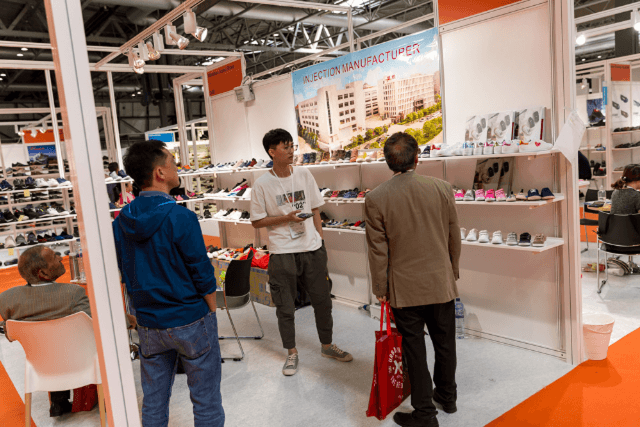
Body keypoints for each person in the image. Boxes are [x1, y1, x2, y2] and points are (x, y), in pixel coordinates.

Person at [112, 140, 224, 427]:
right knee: (206, 400)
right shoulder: (181, 216)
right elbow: (201, 271)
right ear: (160, 173)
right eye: (173, 163)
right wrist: (211, 311)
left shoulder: (121, 221)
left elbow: (123, 271)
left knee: (153, 401)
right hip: (190, 317)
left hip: (149, 322)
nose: (178, 169)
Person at [364, 132, 461, 427]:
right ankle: (447, 396)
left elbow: (377, 251)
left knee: (414, 349)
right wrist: (451, 271)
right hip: (440, 282)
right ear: (417, 157)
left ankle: (425, 413)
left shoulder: (376, 198)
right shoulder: (442, 188)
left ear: (387, 162)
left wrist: (380, 289)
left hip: (404, 288)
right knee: (445, 343)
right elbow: (453, 237)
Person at [250, 128, 352, 377]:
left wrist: (321, 240)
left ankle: (327, 346)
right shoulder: (262, 184)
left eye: (292, 146)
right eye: (285, 147)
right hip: (282, 253)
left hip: (312, 249)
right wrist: (286, 218)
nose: (292, 151)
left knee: (323, 301)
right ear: (272, 152)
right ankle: (292, 353)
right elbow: (257, 221)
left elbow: (316, 209)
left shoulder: (304, 174)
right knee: (285, 307)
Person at [0, 246, 135, 418]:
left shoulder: (7, 299)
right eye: (54, 257)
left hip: (42, 366)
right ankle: (113, 398)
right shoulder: (72, 293)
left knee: (50, 341)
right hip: (80, 363)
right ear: (43, 273)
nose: (60, 258)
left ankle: (58, 402)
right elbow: (101, 321)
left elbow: (10, 332)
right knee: (99, 340)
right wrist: (129, 321)